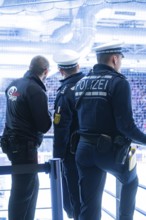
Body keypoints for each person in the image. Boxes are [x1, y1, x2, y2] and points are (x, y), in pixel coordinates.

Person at [74, 41, 146, 220]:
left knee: (89, 205)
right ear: (114, 59)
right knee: (130, 181)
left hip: (83, 150)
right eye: (120, 59)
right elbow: (126, 126)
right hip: (108, 152)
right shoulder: (118, 83)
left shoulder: (81, 82)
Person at [1, 55, 52, 220]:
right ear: (45, 71)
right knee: (22, 191)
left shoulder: (13, 85)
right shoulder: (36, 90)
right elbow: (44, 126)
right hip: (25, 146)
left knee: (31, 187)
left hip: (12, 142)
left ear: (30, 67)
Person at [53, 49, 84, 220]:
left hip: (72, 153)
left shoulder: (65, 92)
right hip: (93, 150)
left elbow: (61, 128)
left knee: (73, 199)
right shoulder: (88, 84)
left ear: (61, 70)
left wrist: (56, 159)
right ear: (78, 66)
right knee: (90, 198)